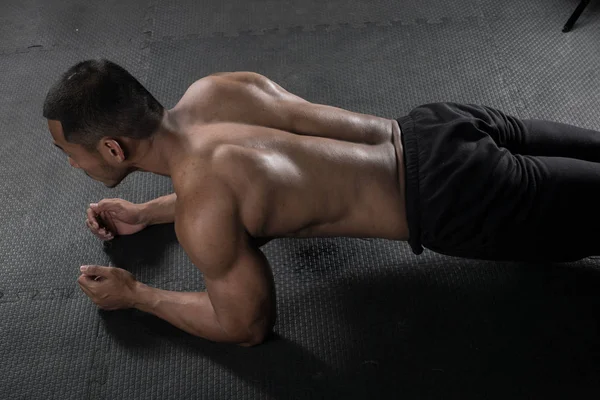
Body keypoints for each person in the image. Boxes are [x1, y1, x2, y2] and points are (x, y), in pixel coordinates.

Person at [44, 59, 600, 346]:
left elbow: (245, 326)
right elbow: (267, 166)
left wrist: (137, 294)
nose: (73, 166)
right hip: (442, 124)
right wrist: (144, 213)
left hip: (457, 196)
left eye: (71, 153)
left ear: (114, 148)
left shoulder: (206, 210)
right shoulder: (216, 91)